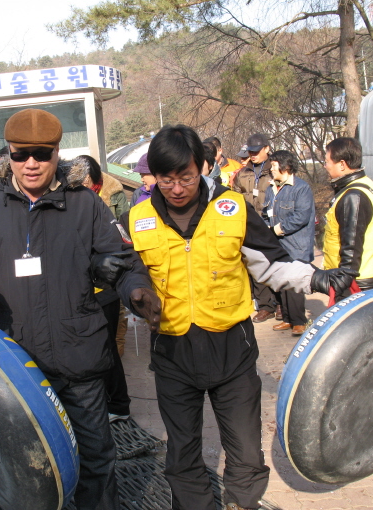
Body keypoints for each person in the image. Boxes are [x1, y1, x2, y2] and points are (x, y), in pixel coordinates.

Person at [120, 124, 355, 510]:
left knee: (245, 450)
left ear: (203, 167)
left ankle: (241, 503)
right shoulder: (138, 218)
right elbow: (127, 270)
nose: (177, 188)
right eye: (166, 180)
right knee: (182, 454)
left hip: (232, 348)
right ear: (154, 177)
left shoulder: (232, 208)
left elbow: (271, 265)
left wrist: (316, 278)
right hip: (173, 354)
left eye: (186, 177)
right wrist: (134, 292)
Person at [0, 108, 160, 510]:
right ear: (9, 153)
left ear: (58, 152)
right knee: (29, 467)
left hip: (79, 360)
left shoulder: (84, 205)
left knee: (96, 459)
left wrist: (137, 291)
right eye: (22, 154)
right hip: (15, 367)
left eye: (42, 153)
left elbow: (123, 263)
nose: (31, 164)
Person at [74, 154, 132, 421]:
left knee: (106, 349)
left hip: (103, 291)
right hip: (92, 290)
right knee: (102, 348)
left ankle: (118, 405)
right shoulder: (83, 203)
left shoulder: (97, 205)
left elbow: (121, 244)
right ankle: (113, 403)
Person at [323, 137, 373, 301]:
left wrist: (343, 281)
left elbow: (351, 244)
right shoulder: (364, 183)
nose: (325, 166)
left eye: (327, 161)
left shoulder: (353, 196)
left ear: (342, 164)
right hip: (364, 271)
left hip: (356, 279)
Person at [262, 151, 315, 336]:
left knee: (295, 284)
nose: (271, 169)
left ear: (285, 166)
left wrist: (275, 229)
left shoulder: (301, 188)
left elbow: (301, 216)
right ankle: (286, 318)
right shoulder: (271, 188)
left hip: (297, 244)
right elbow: (265, 212)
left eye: (274, 166)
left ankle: (299, 321)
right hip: (278, 246)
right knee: (283, 283)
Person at [233, 133, 277, 323]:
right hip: (250, 225)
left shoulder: (276, 169)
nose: (253, 155)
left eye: (256, 151)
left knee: (277, 265)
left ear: (267, 148)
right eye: (250, 151)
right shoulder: (243, 173)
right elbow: (235, 196)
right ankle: (266, 306)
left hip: (273, 225)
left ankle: (282, 304)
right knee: (257, 265)